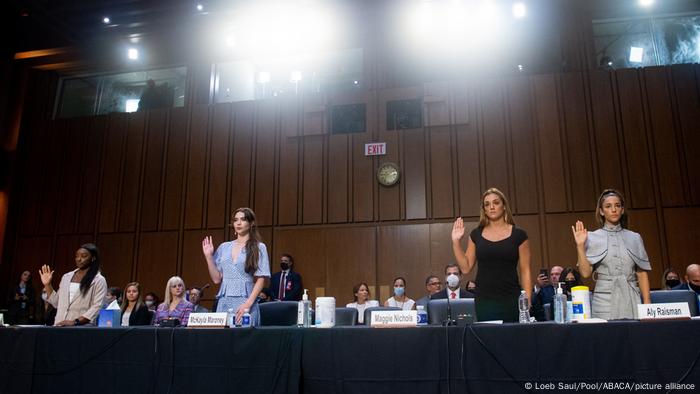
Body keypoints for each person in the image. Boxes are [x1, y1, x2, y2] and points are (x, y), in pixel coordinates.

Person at [452, 188, 532, 322]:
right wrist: (456, 242)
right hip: (484, 299)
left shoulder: (519, 234)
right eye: (487, 204)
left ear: (504, 206)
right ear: (484, 209)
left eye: (496, 203)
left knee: (513, 339)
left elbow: (525, 270)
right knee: (487, 338)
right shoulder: (476, 234)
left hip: (511, 297)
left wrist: (528, 299)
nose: (492, 207)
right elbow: (465, 268)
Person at [572, 189, 652, 319]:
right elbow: (585, 273)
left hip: (631, 297)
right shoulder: (592, 237)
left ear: (622, 209)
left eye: (617, 205)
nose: (614, 209)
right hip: (604, 300)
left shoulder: (635, 237)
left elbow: (642, 274)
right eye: (608, 206)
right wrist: (580, 246)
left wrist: (648, 306)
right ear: (602, 211)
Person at [202, 207, 271, 326]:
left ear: (251, 223)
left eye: (243, 219)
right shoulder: (224, 247)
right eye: (235, 220)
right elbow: (216, 279)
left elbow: (261, 279)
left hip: (246, 302)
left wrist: (248, 304)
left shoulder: (259, 247)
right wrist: (208, 256)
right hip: (224, 302)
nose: (238, 223)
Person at [39, 243, 108, 326]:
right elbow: (56, 302)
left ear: (93, 258)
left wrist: (75, 322)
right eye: (77, 256)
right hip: (59, 325)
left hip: (80, 327)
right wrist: (48, 284)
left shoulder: (98, 280)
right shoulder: (66, 277)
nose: (79, 259)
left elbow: (97, 307)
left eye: (84, 256)